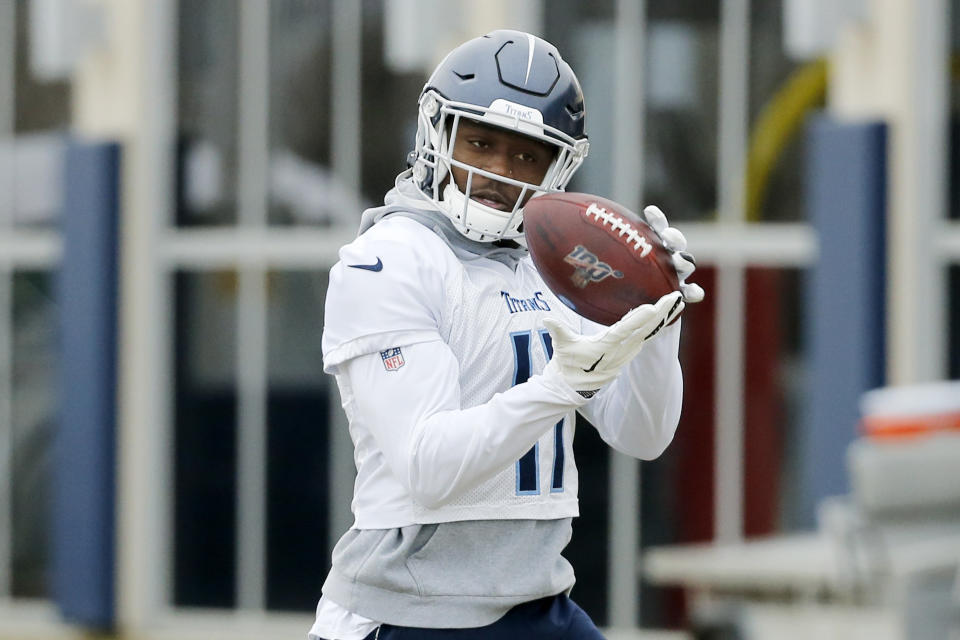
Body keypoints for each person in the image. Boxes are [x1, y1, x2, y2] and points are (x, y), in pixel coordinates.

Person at [309, 30, 703, 640]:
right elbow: (428, 467)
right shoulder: (388, 259)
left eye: (525, 156)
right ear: (437, 134)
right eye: (481, 143)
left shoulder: (550, 268)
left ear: (559, 165)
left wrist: (657, 320)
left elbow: (644, 434)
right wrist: (560, 386)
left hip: (538, 601)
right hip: (410, 609)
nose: (497, 172)